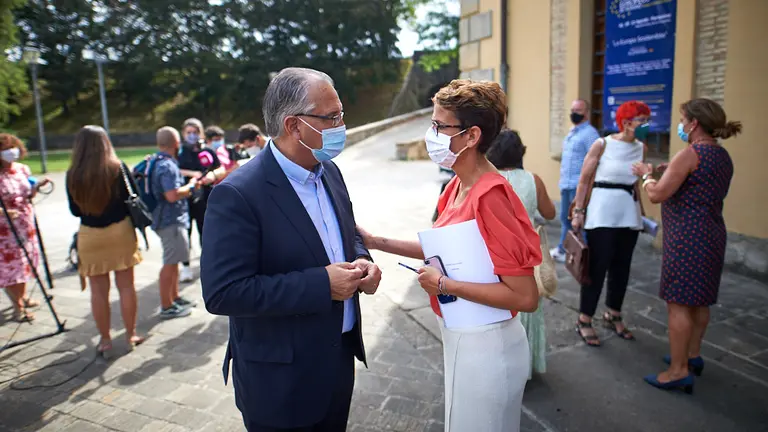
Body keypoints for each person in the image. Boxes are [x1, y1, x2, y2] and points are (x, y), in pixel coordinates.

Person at [201, 67, 382, 432]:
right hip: (280, 383)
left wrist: (363, 259)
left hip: (337, 361)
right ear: (294, 125)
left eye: (341, 114)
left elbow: (347, 232)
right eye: (331, 117)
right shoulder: (237, 194)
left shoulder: (329, 170)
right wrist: (321, 285)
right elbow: (223, 293)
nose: (341, 125)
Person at [357, 79, 540, 432]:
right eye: (432, 124)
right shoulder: (457, 183)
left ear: (471, 136)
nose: (432, 134)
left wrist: (443, 283)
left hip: (489, 343)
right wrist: (377, 240)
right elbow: (440, 244)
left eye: (440, 126)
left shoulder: (492, 196)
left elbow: (525, 296)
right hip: (462, 336)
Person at [633, 98, 739, 393]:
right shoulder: (721, 155)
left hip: (687, 237)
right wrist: (671, 169)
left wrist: (646, 175)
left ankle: (677, 371)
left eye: (682, 119)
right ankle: (692, 355)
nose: (680, 124)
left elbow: (657, 195)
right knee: (700, 300)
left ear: (693, 124)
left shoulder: (691, 153)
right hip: (712, 233)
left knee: (678, 302)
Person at [571, 100, 649, 346]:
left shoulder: (640, 148)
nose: (646, 125)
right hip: (602, 213)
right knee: (596, 267)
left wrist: (642, 214)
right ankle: (584, 319)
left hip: (629, 213)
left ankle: (613, 313)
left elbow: (636, 184)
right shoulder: (602, 144)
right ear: (626, 123)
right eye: (642, 120)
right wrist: (579, 211)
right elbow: (584, 180)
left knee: (622, 267)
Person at [66, 125, 145, 355]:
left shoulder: (73, 173)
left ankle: (105, 340)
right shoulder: (117, 168)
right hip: (120, 232)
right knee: (126, 287)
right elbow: (135, 198)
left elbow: (74, 210)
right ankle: (130, 335)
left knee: (98, 292)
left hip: (90, 235)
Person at [487, 128, 556, 379]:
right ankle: (525, 365)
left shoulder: (487, 179)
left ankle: (498, 365)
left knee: (497, 310)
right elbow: (550, 213)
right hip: (526, 256)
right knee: (528, 309)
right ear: (520, 153)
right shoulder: (532, 179)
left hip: (493, 255)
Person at [152, 126, 199, 319]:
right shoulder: (168, 165)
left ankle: (175, 297)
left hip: (169, 219)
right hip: (170, 220)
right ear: (176, 143)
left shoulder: (158, 161)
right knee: (170, 263)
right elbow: (171, 195)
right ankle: (166, 305)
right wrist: (190, 186)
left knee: (175, 260)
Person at [0, 134, 46, 322]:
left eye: (14, 147)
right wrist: (4, 213)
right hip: (4, 231)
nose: (12, 151)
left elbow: (27, 194)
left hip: (25, 226)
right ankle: (17, 307)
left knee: (25, 264)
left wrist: (37, 188)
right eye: (6, 149)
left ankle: (22, 296)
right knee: (10, 268)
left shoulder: (22, 169)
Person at [552, 99, 600, 262]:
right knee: (565, 219)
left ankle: (579, 254)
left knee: (576, 221)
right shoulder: (573, 132)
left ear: (586, 113)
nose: (574, 113)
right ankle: (564, 248)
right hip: (566, 182)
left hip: (578, 185)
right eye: (572, 109)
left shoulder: (590, 134)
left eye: (578, 110)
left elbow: (594, 162)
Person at [178, 118, 220, 282]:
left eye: (195, 132)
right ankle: (186, 267)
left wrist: (213, 175)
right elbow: (174, 168)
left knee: (206, 233)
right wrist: (191, 174)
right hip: (186, 198)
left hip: (205, 198)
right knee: (185, 234)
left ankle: (207, 265)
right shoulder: (179, 152)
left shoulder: (207, 150)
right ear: (183, 133)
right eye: (189, 133)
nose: (192, 136)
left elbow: (220, 168)